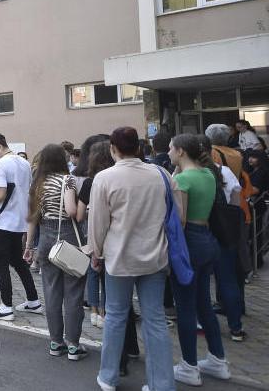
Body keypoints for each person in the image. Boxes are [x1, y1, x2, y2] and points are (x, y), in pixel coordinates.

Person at [88, 127, 176, 391]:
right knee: (155, 319)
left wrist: (96, 252)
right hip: (156, 256)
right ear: (139, 147)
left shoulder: (104, 178)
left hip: (118, 257)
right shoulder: (162, 174)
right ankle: (162, 383)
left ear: (113, 148)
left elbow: (98, 224)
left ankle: (108, 377)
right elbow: (176, 217)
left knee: (115, 316)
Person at [168, 133, 231, 386]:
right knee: (204, 303)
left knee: (185, 307)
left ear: (181, 151)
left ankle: (189, 366)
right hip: (207, 240)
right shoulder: (208, 173)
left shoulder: (183, 179)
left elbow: (180, 220)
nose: (169, 152)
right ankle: (218, 359)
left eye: (172, 149)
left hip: (189, 242)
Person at [23, 144, 86, 361]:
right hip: (66, 236)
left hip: (46, 238)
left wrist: (29, 246)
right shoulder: (67, 179)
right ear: (61, 159)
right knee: (74, 291)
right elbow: (70, 211)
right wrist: (83, 207)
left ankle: (55, 342)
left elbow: (32, 219)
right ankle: (73, 346)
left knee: (51, 292)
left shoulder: (38, 183)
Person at [0, 133, 41, 321]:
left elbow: (0, 194)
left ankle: (6, 307)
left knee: (1, 265)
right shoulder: (24, 163)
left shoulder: (0, 164)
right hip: (19, 221)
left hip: (1, 222)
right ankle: (33, 300)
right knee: (18, 263)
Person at [199, 135, 246, 342]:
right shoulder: (224, 171)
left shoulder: (188, 174)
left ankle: (203, 323)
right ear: (212, 151)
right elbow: (236, 202)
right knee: (227, 280)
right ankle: (236, 327)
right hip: (224, 232)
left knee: (198, 282)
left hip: (200, 233)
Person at [77, 141, 114, 329]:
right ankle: (108, 311)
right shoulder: (116, 178)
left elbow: (79, 214)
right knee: (109, 272)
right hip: (113, 232)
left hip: (91, 230)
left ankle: (94, 311)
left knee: (92, 271)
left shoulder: (90, 182)